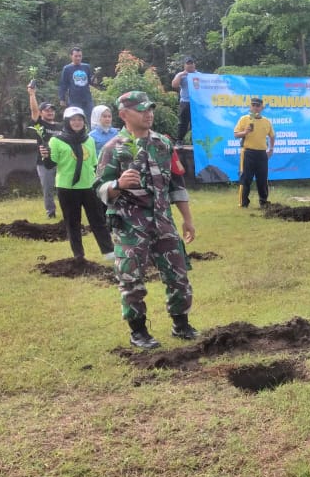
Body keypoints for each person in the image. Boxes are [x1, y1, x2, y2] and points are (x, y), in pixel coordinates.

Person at [96, 91, 198, 350]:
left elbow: (176, 184)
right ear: (124, 114)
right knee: (131, 278)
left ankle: (181, 324)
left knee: (178, 274)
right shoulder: (112, 148)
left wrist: (187, 219)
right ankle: (139, 331)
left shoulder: (163, 143)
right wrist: (118, 184)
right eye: (141, 110)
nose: (148, 114)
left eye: (150, 109)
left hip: (164, 221)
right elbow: (99, 188)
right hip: (130, 225)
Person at [39, 107, 115, 260]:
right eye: (73, 119)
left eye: (80, 119)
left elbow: (94, 164)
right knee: (73, 222)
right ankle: (79, 256)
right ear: (67, 121)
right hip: (67, 187)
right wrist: (45, 156)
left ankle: (109, 252)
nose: (77, 122)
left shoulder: (89, 140)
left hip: (89, 186)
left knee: (98, 220)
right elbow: (50, 165)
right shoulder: (56, 140)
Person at [28, 81, 61, 218]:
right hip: (44, 163)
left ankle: (68, 210)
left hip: (61, 162)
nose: (50, 112)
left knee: (64, 189)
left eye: (52, 110)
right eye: (47, 110)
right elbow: (34, 111)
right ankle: (51, 213)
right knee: (48, 189)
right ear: (41, 113)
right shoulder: (39, 124)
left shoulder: (60, 126)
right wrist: (32, 94)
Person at [234, 96, 275, 208]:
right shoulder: (244, 119)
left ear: (262, 107)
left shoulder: (266, 121)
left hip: (262, 153)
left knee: (262, 179)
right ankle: (243, 203)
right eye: (253, 105)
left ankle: (263, 202)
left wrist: (271, 149)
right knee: (246, 178)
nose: (255, 108)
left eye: (258, 106)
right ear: (250, 107)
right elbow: (236, 134)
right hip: (248, 152)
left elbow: (272, 136)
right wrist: (245, 132)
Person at [58, 46, 95, 121]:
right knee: (75, 119)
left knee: (91, 119)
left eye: (80, 56)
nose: (78, 58)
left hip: (87, 99)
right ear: (71, 56)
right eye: (76, 56)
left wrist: (94, 80)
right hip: (74, 100)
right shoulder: (67, 68)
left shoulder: (86, 67)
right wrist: (62, 99)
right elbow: (63, 84)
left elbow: (90, 82)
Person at [171, 56, 197, 143]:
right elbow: (174, 85)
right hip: (185, 102)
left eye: (191, 63)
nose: (190, 65)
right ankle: (179, 140)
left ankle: (196, 142)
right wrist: (181, 75)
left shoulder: (199, 75)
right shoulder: (181, 75)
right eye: (188, 63)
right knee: (183, 123)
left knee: (196, 123)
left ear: (194, 64)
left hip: (197, 103)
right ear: (184, 65)